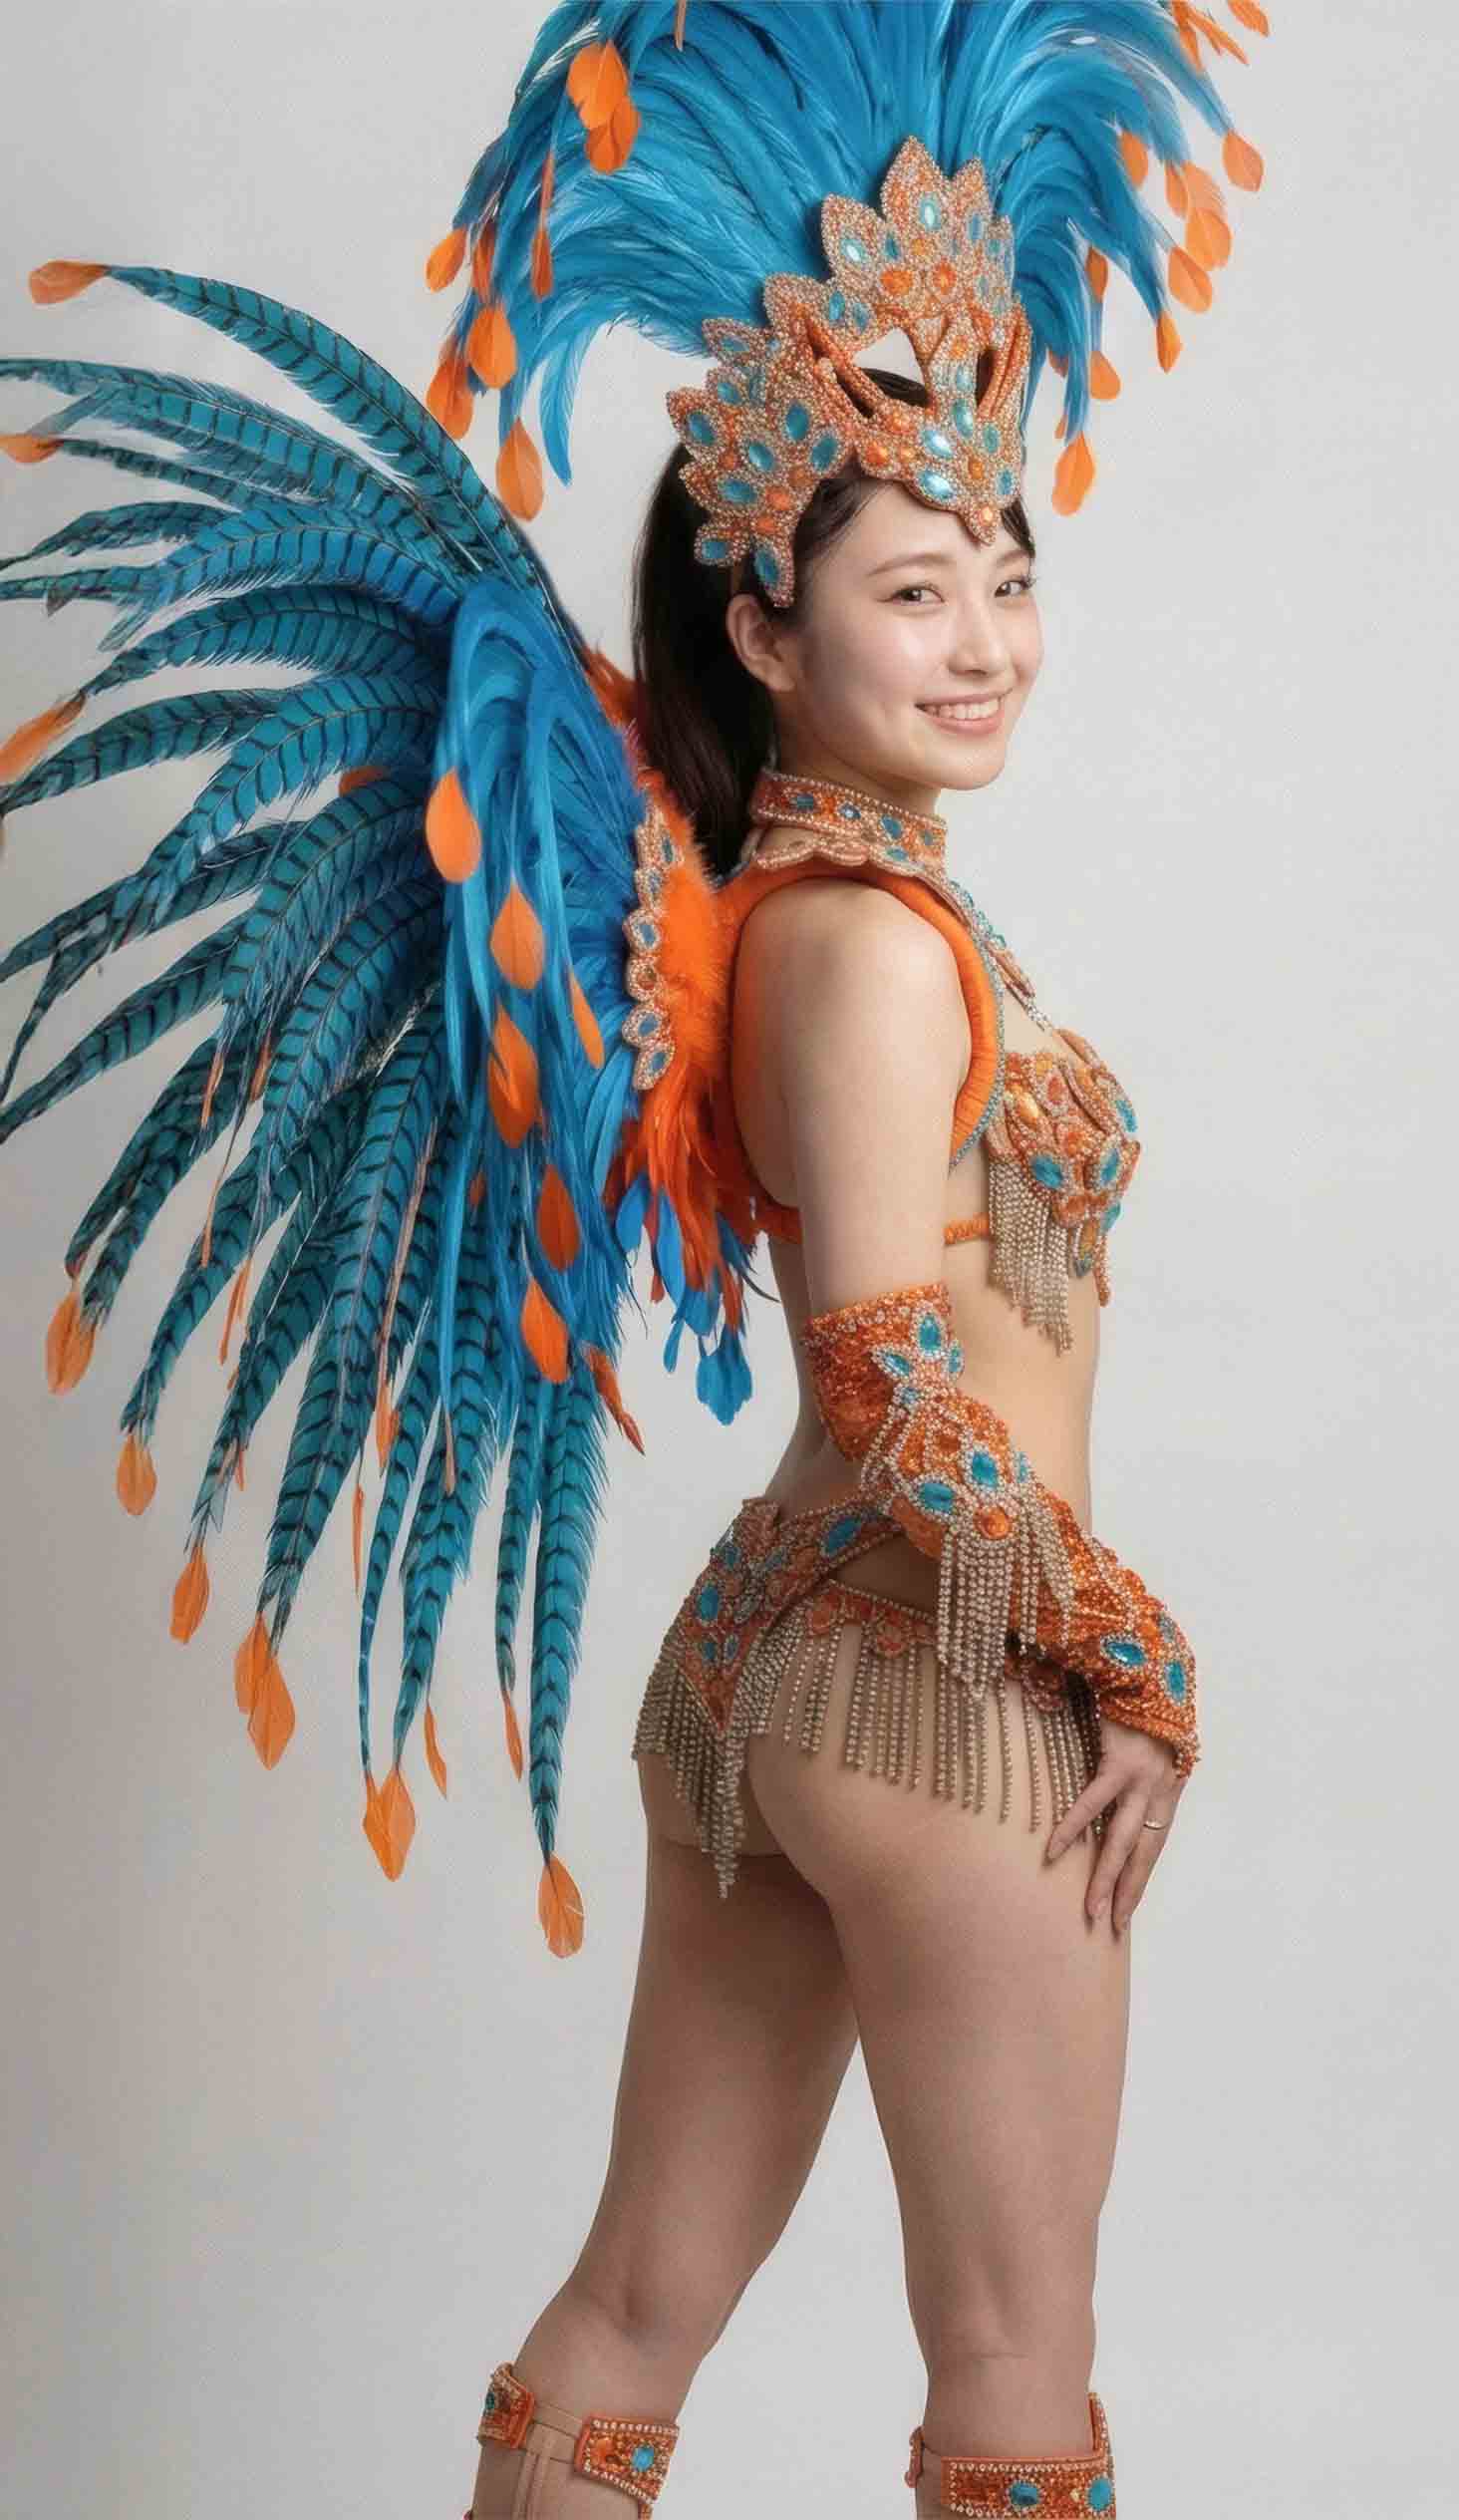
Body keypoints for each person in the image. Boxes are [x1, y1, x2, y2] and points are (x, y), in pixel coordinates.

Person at [0, 7, 1270, 2513]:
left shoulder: (812, 913)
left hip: (763, 1670)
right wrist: (1124, 1643)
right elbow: (882, 1365)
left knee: (633, 2306)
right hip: (937, 1669)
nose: (986, 636)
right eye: (913, 588)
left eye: (1007, 574)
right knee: (1012, 2354)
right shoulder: (866, 948)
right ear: (766, 632)